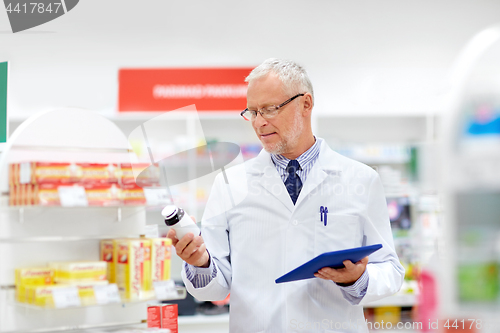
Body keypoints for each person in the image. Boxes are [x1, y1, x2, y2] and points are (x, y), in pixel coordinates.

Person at [167, 58, 405, 333]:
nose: (258, 122)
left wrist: (358, 278)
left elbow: (390, 271)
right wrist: (201, 263)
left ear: (305, 104)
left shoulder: (360, 180)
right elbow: (216, 288)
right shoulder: (230, 184)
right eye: (252, 112)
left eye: (269, 109)